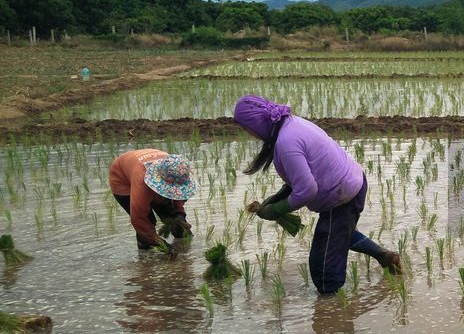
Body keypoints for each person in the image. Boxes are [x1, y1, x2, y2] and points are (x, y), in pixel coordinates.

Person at [232, 95, 402, 294]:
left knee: (323, 273)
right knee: (339, 234)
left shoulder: (286, 142)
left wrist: (275, 210)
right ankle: (386, 257)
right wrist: (275, 199)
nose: (249, 133)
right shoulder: (289, 123)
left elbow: (307, 190)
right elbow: (303, 176)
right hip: (350, 183)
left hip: (341, 196)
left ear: (255, 123)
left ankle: (335, 314)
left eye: (247, 128)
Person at [108, 149, 195, 254]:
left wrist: (179, 213)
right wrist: (160, 243)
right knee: (148, 221)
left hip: (152, 168)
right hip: (122, 178)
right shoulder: (142, 181)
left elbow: (179, 194)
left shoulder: (180, 170)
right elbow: (138, 218)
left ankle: (183, 249)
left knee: (176, 221)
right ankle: (145, 258)